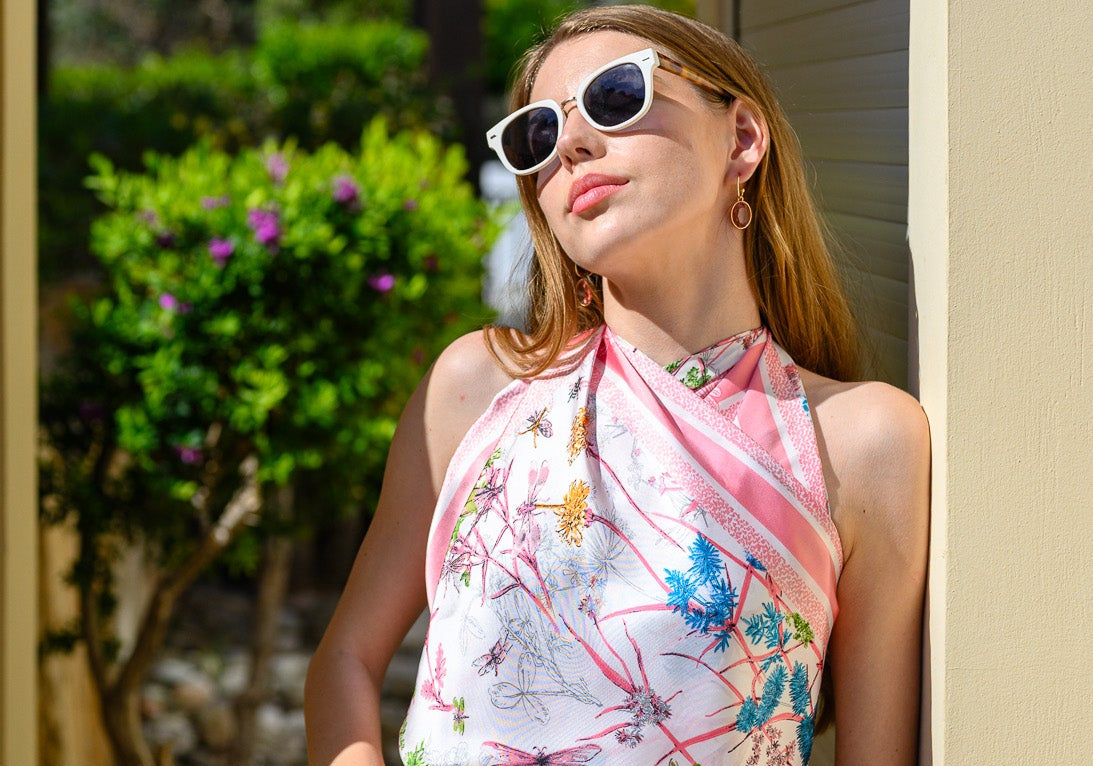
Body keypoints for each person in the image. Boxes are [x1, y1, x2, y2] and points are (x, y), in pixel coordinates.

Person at [305, 6, 930, 765]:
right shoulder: (476, 392)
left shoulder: (862, 444)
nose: (568, 143)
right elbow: (344, 661)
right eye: (536, 135)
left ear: (740, 139)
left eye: (614, 96)